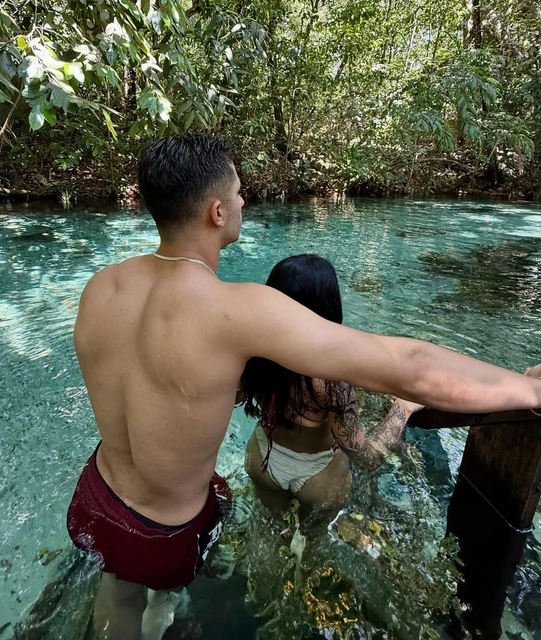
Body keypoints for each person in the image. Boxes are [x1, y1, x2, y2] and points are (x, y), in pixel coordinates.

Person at [66, 133, 541, 640]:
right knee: (157, 567)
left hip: (97, 496)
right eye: (239, 192)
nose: (244, 201)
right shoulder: (235, 310)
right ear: (217, 212)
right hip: (167, 530)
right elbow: (408, 364)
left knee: (120, 588)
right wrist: (528, 389)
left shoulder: (102, 286)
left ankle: (152, 607)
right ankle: (164, 599)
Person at [242, 255, 423, 513]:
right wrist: (403, 409)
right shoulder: (331, 377)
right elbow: (366, 459)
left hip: (261, 459)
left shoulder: (251, 352)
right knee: (314, 537)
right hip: (318, 477)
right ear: (329, 307)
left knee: (270, 526)